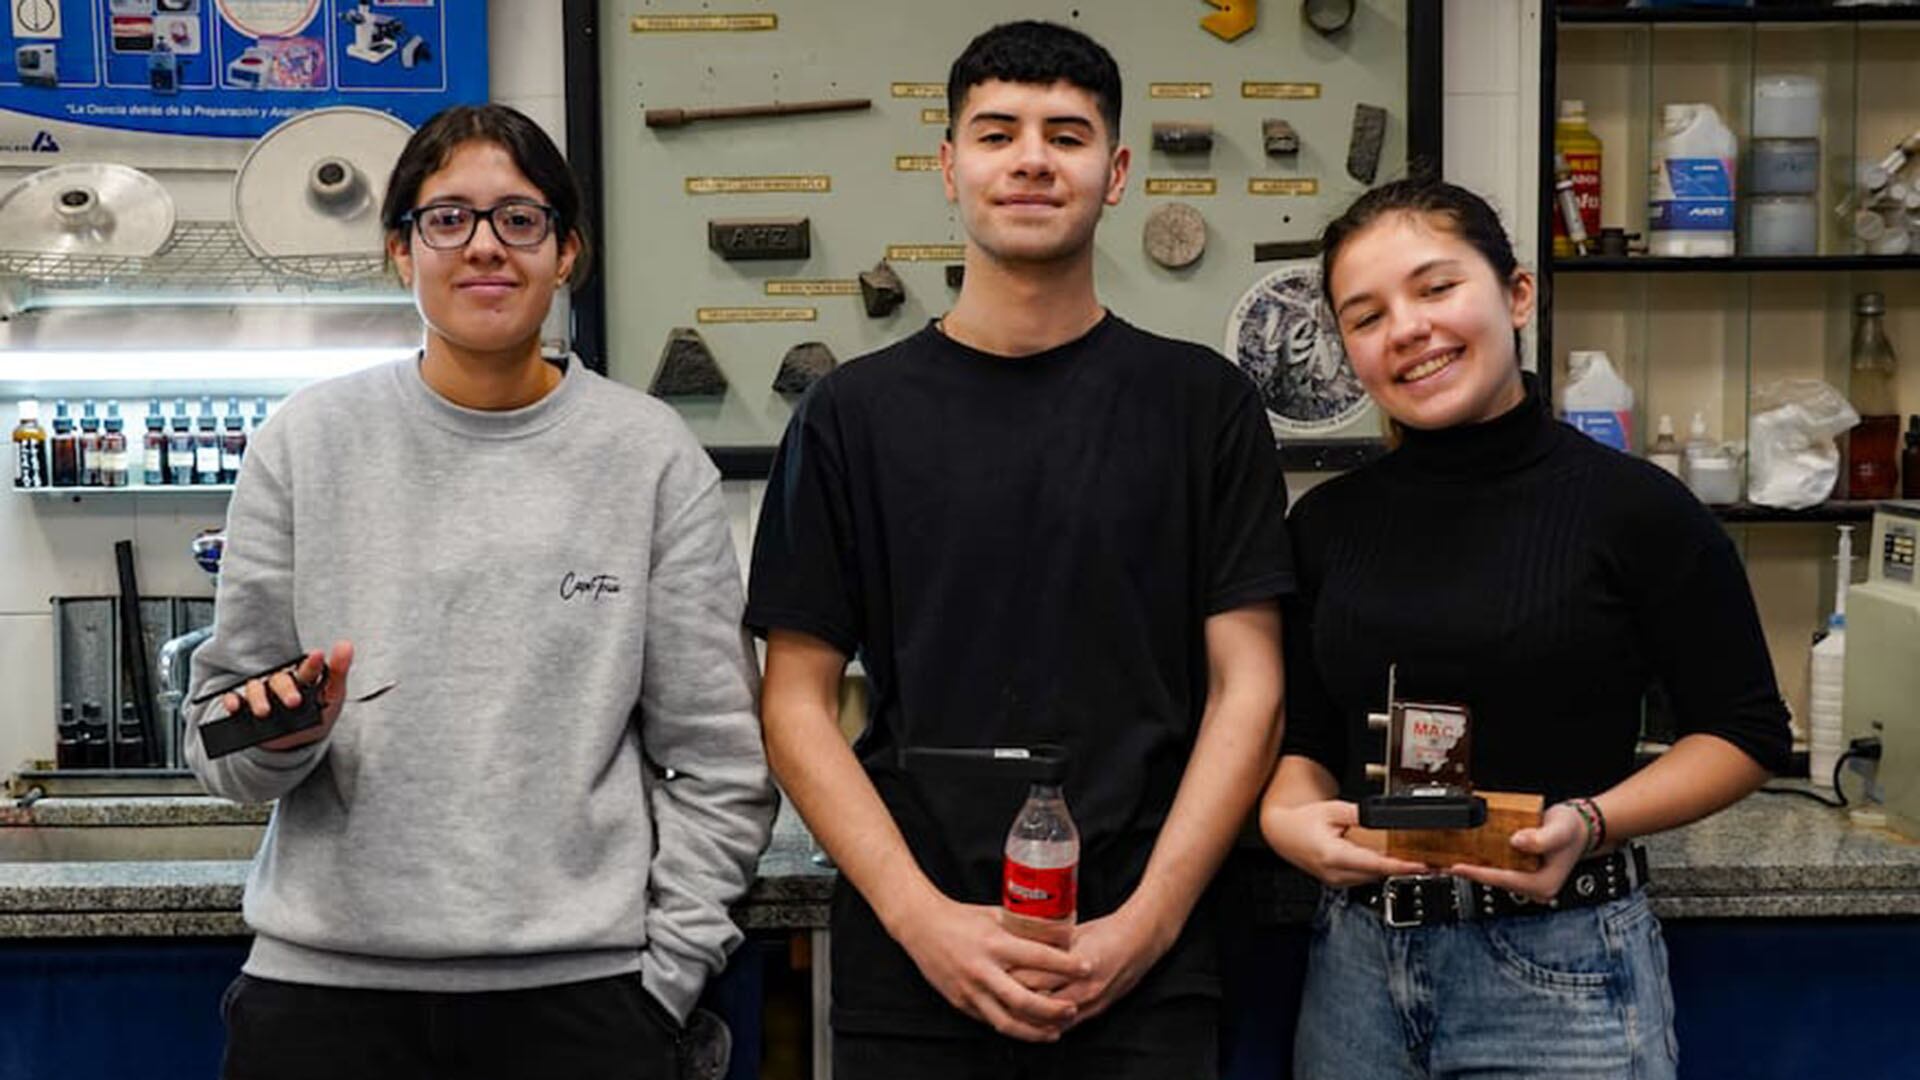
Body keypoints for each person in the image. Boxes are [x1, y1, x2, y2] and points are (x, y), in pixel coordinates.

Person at [184, 103, 776, 1080]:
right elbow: (219, 738)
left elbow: (719, 761)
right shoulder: (306, 442)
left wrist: (664, 979)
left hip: (583, 1006)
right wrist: (279, 735)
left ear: (567, 252)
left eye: (520, 219)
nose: (485, 248)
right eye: (447, 218)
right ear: (399, 252)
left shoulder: (647, 457)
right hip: (327, 1003)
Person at [748, 20, 1291, 1079]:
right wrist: (921, 921)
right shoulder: (849, 417)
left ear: (1117, 171)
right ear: (950, 167)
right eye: (998, 133)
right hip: (915, 961)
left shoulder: (1204, 407)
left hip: (1146, 957)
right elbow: (795, 702)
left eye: (1068, 134)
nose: (1034, 158)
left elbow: (1251, 690)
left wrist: (1148, 923)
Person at [1259, 178, 1792, 1079]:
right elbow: (1304, 738)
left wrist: (1592, 820)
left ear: (1516, 294)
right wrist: (1287, 817)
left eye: (1436, 289)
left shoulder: (1637, 509)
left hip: (1563, 971)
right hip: (1356, 973)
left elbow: (1744, 733)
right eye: (1367, 315)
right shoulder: (1324, 526)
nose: (1408, 329)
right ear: (1349, 353)